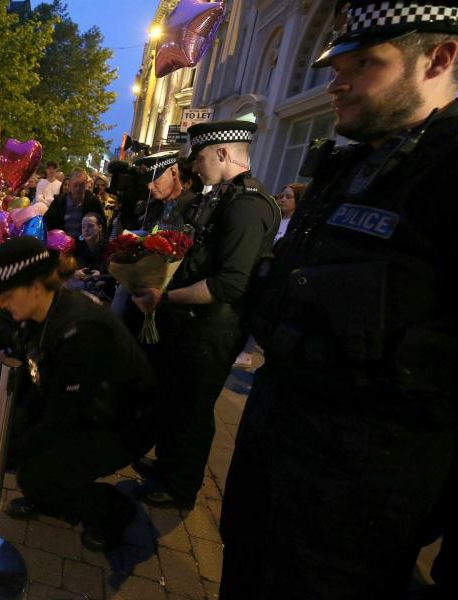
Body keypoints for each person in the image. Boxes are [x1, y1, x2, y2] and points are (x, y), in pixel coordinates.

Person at [219, 2, 458, 597]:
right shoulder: (354, 163)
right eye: (335, 65)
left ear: (441, 57)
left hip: (354, 506)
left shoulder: (447, 172)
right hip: (276, 461)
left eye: (366, 64)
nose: (337, 81)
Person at [0, 236, 156, 551]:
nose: (1, 304)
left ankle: (112, 509)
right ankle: (49, 493)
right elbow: (22, 377)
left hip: (123, 421)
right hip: (77, 405)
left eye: (7, 296)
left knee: (37, 474)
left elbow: (59, 419)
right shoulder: (33, 312)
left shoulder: (80, 329)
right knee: (17, 444)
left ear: (36, 286)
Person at [130, 120, 280, 510]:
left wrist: (165, 297)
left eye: (199, 158)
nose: (195, 167)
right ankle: (168, 465)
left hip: (214, 328)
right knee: (178, 398)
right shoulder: (223, 197)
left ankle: (180, 486)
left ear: (224, 153)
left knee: (193, 407)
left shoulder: (248, 206)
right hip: (193, 322)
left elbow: (229, 285)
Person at [133, 151, 198, 233]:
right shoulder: (152, 206)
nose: (149, 187)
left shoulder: (193, 206)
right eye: (147, 182)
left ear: (174, 173)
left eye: (155, 179)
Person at [43, 168, 107, 238]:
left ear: (85, 185)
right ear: (70, 185)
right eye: (75, 185)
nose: (78, 188)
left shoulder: (93, 202)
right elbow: (47, 223)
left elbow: (102, 225)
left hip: (86, 244)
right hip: (61, 243)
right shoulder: (59, 201)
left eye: (81, 185)